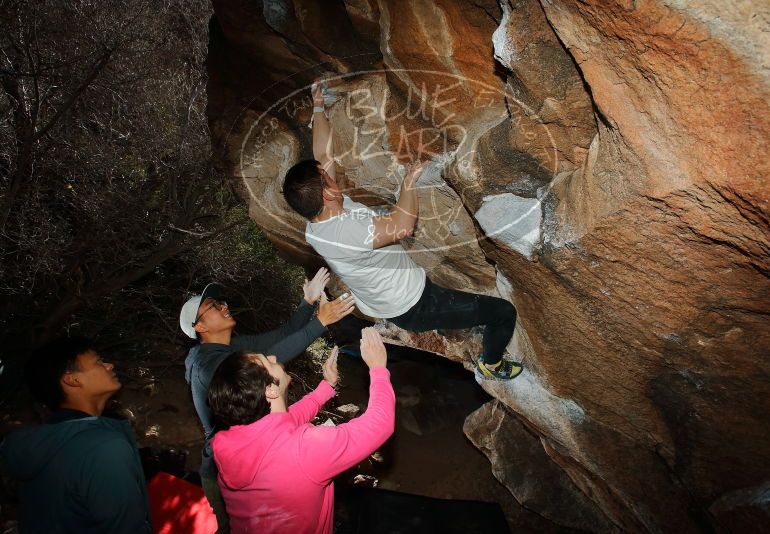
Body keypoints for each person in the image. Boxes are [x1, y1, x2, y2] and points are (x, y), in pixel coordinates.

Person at [282, 81, 523, 380]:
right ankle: (492, 363)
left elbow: (322, 151)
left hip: (394, 293)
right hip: (414, 304)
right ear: (328, 194)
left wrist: (318, 105)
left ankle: (464, 323)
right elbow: (402, 226)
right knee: (502, 313)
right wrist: (408, 182)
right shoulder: (345, 233)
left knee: (460, 305)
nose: (329, 171)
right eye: (326, 178)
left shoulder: (318, 218)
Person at [178, 268, 355, 532]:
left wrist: (307, 303)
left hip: (250, 455)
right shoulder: (207, 364)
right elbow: (261, 369)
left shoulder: (229, 347)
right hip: (225, 469)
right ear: (200, 327)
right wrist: (320, 322)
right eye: (213, 306)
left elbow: (282, 335)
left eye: (221, 301)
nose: (223, 305)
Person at [207, 327, 395, 534]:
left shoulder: (229, 444)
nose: (273, 357)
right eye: (267, 362)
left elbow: (287, 421)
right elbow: (379, 424)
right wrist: (378, 369)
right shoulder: (305, 449)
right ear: (270, 390)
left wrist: (327, 386)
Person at [0, 337, 151, 533]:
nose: (109, 365)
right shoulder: (104, 448)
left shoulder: (34, 443)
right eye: (98, 362)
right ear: (72, 379)